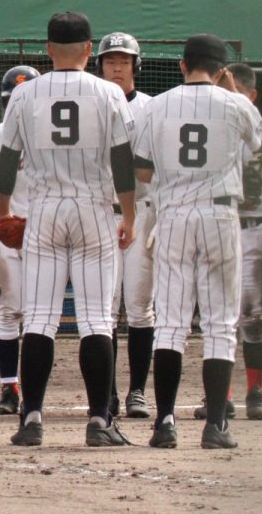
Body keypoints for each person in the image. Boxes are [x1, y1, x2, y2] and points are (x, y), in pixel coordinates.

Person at [0, 11, 136, 447]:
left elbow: (5, 164)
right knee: (96, 318)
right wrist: (128, 215)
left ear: (49, 50)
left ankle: (32, 417)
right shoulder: (109, 92)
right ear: (91, 50)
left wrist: (3, 213)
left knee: (39, 318)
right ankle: (99, 420)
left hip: (44, 208)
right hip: (94, 207)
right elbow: (123, 162)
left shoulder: (24, 94)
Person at [133, 35, 262, 449]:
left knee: (170, 322)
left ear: (181, 64)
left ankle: (165, 423)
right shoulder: (238, 104)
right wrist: (226, 89)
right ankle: (215, 428)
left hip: (172, 213)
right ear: (222, 69)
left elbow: (139, 165)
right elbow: (258, 144)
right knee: (220, 324)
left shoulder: (156, 105)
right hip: (219, 214)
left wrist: (174, 184)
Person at [187, 62, 262, 423]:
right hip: (216, 224)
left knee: (254, 316)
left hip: (256, 229)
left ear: (252, 96)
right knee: (215, 316)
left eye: (235, 90)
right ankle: (219, 397)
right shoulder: (208, 131)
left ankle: (256, 393)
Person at [96, 32, 155, 421]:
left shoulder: (152, 107)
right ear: (98, 64)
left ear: (136, 65)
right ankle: (108, 394)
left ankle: (136, 391)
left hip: (145, 210)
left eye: (123, 60)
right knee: (103, 309)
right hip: (102, 211)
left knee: (138, 307)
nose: (116, 66)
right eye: (110, 60)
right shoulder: (92, 103)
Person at [0, 64, 38, 416]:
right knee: (9, 308)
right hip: (4, 235)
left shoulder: (50, 137)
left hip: (44, 235)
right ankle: (10, 389)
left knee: (38, 315)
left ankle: (34, 393)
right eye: (11, 100)